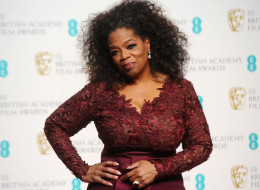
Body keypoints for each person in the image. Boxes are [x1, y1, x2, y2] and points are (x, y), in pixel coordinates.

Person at [44, 0, 213, 189]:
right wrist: (82, 169)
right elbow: (55, 125)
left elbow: (201, 146)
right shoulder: (99, 91)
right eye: (115, 51)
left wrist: (159, 168)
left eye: (130, 46)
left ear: (147, 43)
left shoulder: (181, 89)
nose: (124, 56)